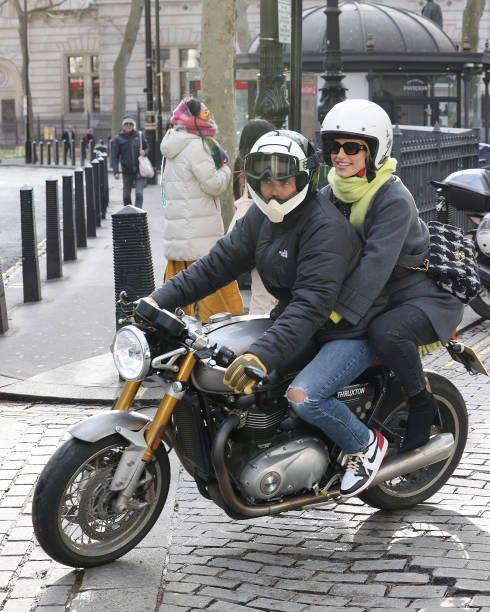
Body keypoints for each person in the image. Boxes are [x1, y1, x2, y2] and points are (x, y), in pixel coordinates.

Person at [141, 130, 387, 497]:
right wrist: (157, 301)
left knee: (304, 395)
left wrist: (263, 353)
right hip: (301, 320)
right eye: (265, 179)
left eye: (284, 180)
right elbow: (215, 266)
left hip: (348, 329)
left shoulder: (324, 228)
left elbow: (312, 304)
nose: (273, 189)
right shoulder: (259, 219)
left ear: (304, 178)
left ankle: (364, 444)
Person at [286, 99, 464, 497]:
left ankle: (420, 400)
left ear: (375, 150)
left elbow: (372, 269)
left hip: (417, 295)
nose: (341, 156)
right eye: (335, 146)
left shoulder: (392, 199)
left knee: (385, 332)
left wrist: (328, 316)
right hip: (379, 293)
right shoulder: (332, 190)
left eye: (353, 147)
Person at [159, 97, 242, 322]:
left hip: (179, 234)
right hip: (200, 234)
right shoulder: (197, 145)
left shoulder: (172, 143)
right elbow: (214, 185)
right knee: (210, 296)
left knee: (180, 296)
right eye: (205, 115)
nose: (209, 118)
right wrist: (225, 168)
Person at [229, 118, 278, 315]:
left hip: (246, 228)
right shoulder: (274, 164)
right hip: (269, 232)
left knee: (261, 291)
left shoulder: (243, 164)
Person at [111, 116, 149, 209]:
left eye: (131, 124)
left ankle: (138, 214)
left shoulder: (139, 135)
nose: (128, 126)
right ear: (123, 126)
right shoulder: (117, 139)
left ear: (133, 125)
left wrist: (144, 152)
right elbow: (114, 157)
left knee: (139, 194)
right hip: (126, 172)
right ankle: (130, 214)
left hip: (140, 171)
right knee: (126, 197)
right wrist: (116, 171)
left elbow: (147, 148)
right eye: (126, 124)